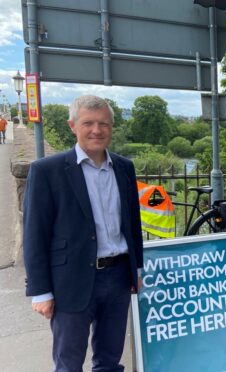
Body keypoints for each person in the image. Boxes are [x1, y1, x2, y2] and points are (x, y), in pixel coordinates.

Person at [23, 95, 143, 372]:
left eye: (104, 124)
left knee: (110, 359)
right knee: (69, 362)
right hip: (70, 282)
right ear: (72, 126)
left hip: (118, 277)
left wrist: (136, 268)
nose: (96, 130)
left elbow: (132, 223)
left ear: (112, 127)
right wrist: (40, 291)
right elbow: (35, 235)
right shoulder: (47, 171)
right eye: (88, 123)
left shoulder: (124, 167)